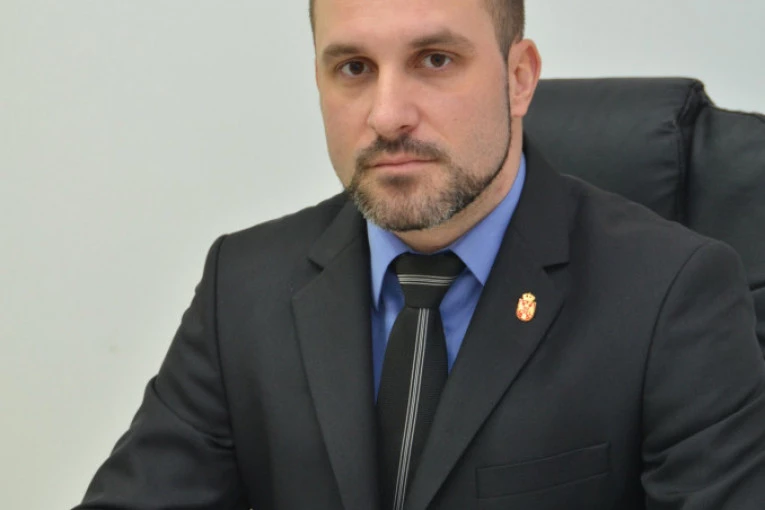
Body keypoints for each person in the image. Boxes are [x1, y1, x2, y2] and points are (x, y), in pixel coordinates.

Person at [74, 0, 765, 509]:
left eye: (434, 60)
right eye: (353, 68)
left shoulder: (672, 293)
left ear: (519, 77)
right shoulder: (243, 285)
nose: (386, 115)